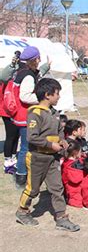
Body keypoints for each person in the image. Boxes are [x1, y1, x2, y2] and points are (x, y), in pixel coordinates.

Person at [16, 78, 80, 231]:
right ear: (47, 95)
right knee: (33, 189)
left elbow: (59, 133)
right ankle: (22, 212)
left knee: (57, 188)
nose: (58, 97)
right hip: (37, 157)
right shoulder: (35, 113)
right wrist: (51, 144)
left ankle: (61, 218)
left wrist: (63, 142)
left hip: (53, 158)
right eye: (57, 94)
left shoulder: (55, 114)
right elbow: (32, 137)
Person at [11, 46, 45, 188]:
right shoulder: (28, 76)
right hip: (25, 115)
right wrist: (41, 98)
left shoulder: (21, 71)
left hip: (19, 114)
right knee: (26, 147)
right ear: (35, 59)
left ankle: (22, 172)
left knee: (25, 146)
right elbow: (24, 96)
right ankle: (21, 175)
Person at [61, 140, 84, 208]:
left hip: (66, 188)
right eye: (80, 151)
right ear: (76, 153)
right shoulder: (76, 165)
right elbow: (77, 178)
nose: (81, 153)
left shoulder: (64, 162)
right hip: (75, 192)